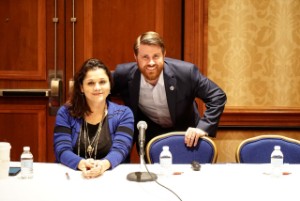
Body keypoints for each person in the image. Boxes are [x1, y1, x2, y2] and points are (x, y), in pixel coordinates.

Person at [112, 31, 226, 153]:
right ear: (135, 57)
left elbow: (217, 96)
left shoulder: (186, 72)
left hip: (188, 135)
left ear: (164, 54)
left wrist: (203, 128)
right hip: (151, 138)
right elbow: (98, 86)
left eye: (156, 56)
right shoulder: (123, 75)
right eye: (145, 57)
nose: (151, 63)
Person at [54, 58, 134, 178]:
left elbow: (121, 149)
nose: (97, 88)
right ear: (81, 87)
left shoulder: (124, 114)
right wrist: (81, 163)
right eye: (91, 83)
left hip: (110, 178)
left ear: (110, 85)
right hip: (75, 176)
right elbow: (61, 148)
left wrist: (102, 166)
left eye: (102, 82)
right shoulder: (65, 113)